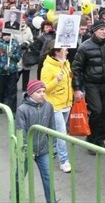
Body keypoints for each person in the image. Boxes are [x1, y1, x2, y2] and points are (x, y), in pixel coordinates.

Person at [72, 20, 105, 151]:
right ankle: (91, 138)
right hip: (91, 84)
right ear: (94, 31)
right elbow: (76, 68)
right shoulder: (84, 47)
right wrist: (77, 88)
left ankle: (100, 140)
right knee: (97, 111)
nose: (104, 32)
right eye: (101, 30)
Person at [15, 80, 57, 203]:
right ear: (31, 94)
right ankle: (17, 198)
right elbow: (20, 132)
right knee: (19, 177)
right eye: (39, 92)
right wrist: (27, 150)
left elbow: (52, 128)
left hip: (43, 149)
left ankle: (52, 201)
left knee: (48, 178)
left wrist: (53, 147)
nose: (42, 94)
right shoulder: (22, 109)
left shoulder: (48, 106)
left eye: (44, 91)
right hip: (27, 150)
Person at [40, 42, 73, 173]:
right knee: (61, 133)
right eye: (65, 49)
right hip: (54, 104)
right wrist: (56, 81)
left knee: (57, 130)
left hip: (66, 102)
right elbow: (44, 88)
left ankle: (52, 149)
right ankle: (64, 161)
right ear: (56, 52)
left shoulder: (66, 63)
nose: (67, 52)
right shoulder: (47, 67)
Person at [0, 31, 22, 114]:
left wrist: (13, 56)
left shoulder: (15, 44)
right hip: (1, 72)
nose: (6, 37)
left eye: (8, 35)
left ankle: (12, 110)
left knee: (12, 91)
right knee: (0, 90)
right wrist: (2, 65)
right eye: (5, 35)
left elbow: (19, 57)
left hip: (12, 71)